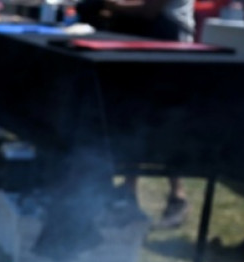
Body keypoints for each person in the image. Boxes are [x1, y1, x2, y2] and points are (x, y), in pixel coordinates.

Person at [76, 0, 194, 228]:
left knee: (164, 124)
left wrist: (108, 3)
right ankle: (129, 194)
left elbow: (149, 9)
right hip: (138, 40)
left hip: (168, 46)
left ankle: (177, 197)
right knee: (133, 121)